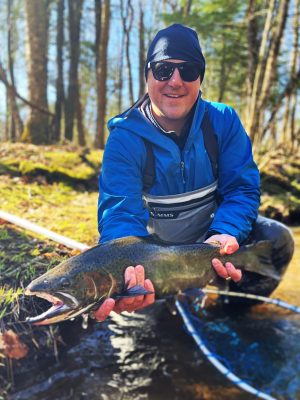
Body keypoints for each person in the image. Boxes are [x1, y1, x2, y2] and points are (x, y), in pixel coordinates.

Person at [94, 24, 294, 322]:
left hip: (212, 241)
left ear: (200, 78)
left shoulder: (222, 121)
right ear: (147, 74)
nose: (175, 81)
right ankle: (168, 302)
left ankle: (232, 313)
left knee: (277, 238)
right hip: (155, 255)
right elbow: (119, 213)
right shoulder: (125, 137)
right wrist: (129, 271)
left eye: (187, 70)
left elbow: (241, 189)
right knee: (144, 328)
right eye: (163, 70)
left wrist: (225, 233)